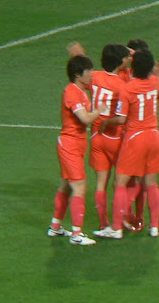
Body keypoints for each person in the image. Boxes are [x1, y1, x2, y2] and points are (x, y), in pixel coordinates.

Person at [94, 50, 159, 239]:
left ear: (133, 68)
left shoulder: (128, 88)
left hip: (135, 138)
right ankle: (154, 226)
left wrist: (105, 122)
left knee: (120, 183)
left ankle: (117, 228)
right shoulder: (154, 81)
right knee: (151, 184)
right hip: (154, 137)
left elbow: (121, 119)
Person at [47, 54, 107, 245]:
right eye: (87, 71)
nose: (91, 74)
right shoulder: (72, 92)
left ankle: (55, 227)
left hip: (77, 144)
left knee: (66, 185)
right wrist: (99, 110)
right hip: (70, 144)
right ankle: (76, 234)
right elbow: (85, 119)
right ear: (77, 75)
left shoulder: (81, 89)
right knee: (80, 186)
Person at [89, 44, 131, 233]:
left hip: (96, 135)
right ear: (121, 62)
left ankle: (103, 223)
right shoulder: (122, 86)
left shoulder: (94, 77)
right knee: (124, 182)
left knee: (100, 183)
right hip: (115, 136)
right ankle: (122, 220)